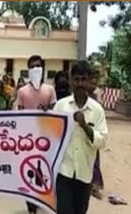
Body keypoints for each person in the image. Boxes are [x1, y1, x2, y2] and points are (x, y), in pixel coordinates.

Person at [53, 61, 108, 214]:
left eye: (83, 79)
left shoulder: (97, 110)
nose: (80, 83)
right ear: (71, 81)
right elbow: (51, 137)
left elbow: (102, 141)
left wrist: (84, 125)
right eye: (76, 79)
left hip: (84, 175)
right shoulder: (60, 106)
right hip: (64, 173)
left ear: (89, 81)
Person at [16, 55, 57, 214]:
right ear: (28, 69)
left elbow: (56, 113)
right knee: (28, 171)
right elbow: (19, 115)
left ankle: (41, 199)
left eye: (38, 66)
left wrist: (47, 112)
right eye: (32, 66)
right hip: (28, 140)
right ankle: (31, 206)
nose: (35, 69)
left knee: (45, 172)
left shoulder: (50, 90)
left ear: (43, 68)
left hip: (47, 139)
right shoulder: (22, 91)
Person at [88, 70, 104, 200]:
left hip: (94, 130)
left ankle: (95, 187)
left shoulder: (97, 94)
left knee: (95, 160)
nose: (93, 83)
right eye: (91, 80)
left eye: (95, 81)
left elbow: (100, 111)